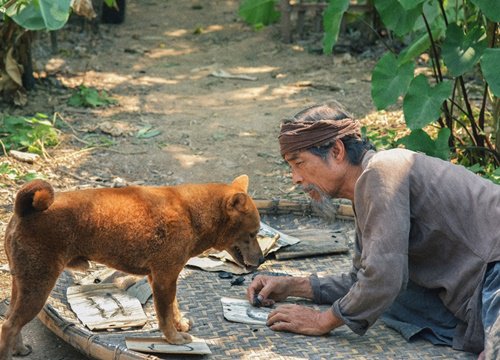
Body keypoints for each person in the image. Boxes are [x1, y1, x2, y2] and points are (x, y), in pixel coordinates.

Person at [247, 100, 500, 359]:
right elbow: (364, 281)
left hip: (495, 273)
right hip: (477, 294)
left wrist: (321, 320)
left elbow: (384, 278)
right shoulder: (368, 188)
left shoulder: (382, 169)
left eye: (298, 163)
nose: (295, 178)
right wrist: (293, 286)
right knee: (385, 301)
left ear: (336, 151)